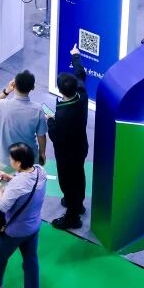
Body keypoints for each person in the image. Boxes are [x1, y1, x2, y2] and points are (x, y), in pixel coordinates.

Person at [0, 72, 47, 239]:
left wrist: (6, 91)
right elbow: (41, 136)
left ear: (15, 85)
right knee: (25, 192)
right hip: (28, 161)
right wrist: (42, 153)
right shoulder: (38, 110)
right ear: (33, 88)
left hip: (4, 159)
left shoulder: (3, 105)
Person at [0, 142, 47, 288]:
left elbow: (2, 206)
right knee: (30, 259)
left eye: (12, 158)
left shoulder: (17, 184)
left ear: (19, 162)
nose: (10, 160)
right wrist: (10, 177)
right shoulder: (40, 171)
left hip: (15, 231)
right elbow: (27, 186)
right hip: (33, 227)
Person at [47, 51, 89, 229]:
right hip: (81, 147)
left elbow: (56, 137)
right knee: (79, 176)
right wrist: (75, 56)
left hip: (67, 155)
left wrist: (50, 121)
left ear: (60, 90)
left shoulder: (63, 115)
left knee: (68, 182)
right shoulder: (82, 94)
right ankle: (78, 205)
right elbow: (80, 74)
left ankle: (72, 217)